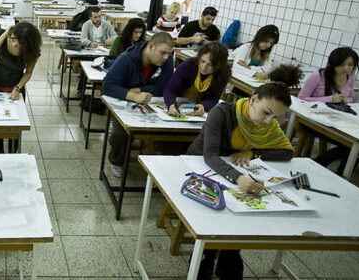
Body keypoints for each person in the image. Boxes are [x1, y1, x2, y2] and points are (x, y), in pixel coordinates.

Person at [187, 82, 296, 279]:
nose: (269, 121)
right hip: (198, 166)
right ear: (253, 100)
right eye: (266, 112)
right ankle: (209, 253)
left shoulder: (267, 125)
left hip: (233, 169)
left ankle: (228, 252)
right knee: (218, 205)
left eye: (275, 117)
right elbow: (210, 156)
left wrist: (252, 151)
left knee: (245, 205)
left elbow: (287, 151)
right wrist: (238, 178)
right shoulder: (221, 113)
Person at [102, 32, 175, 176]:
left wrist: (137, 90)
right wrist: (134, 96)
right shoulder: (127, 59)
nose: (166, 57)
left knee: (171, 130)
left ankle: (167, 169)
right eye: (163, 53)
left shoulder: (166, 60)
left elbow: (163, 88)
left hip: (149, 100)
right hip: (122, 101)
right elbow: (108, 86)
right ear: (151, 47)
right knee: (122, 131)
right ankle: (116, 161)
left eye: (168, 53)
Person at [298, 47, 359, 172]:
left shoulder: (350, 76)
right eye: (342, 64)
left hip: (337, 119)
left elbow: (352, 96)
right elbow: (301, 98)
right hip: (314, 120)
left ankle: (339, 174)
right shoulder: (318, 76)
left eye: (351, 65)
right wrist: (329, 99)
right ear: (333, 63)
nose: (346, 68)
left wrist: (347, 100)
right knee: (349, 146)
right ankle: (318, 164)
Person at [0, 22, 42, 153]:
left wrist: (18, 88)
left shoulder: (32, 51)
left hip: (15, 89)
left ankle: (12, 153)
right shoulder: (1, 35)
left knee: (15, 126)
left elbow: (28, 73)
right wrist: (5, 35)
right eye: (13, 39)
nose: (15, 44)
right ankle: (0, 152)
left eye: (20, 42)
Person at [164, 42, 230, 117]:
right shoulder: (188, 65)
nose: (203, 67)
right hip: (179, 101)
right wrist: (171, 105)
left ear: (219, 66)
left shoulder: (223, 74)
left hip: (196, 107)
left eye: (210, 65)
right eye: (202, 61)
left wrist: (204, 106)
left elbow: (213, 98)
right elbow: (170, 89)